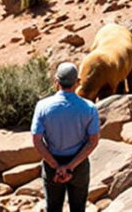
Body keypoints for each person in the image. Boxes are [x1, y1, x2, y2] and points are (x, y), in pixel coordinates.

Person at [30, 60, 103, 212]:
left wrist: (56, 166)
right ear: (77, 82)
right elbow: (93, 141)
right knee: (78, 208)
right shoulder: (89, 108)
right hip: (79, 164)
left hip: (52, 163)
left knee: (53, 208)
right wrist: (70, 167)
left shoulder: (42, 106)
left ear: (56, 82)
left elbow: (37, 140)